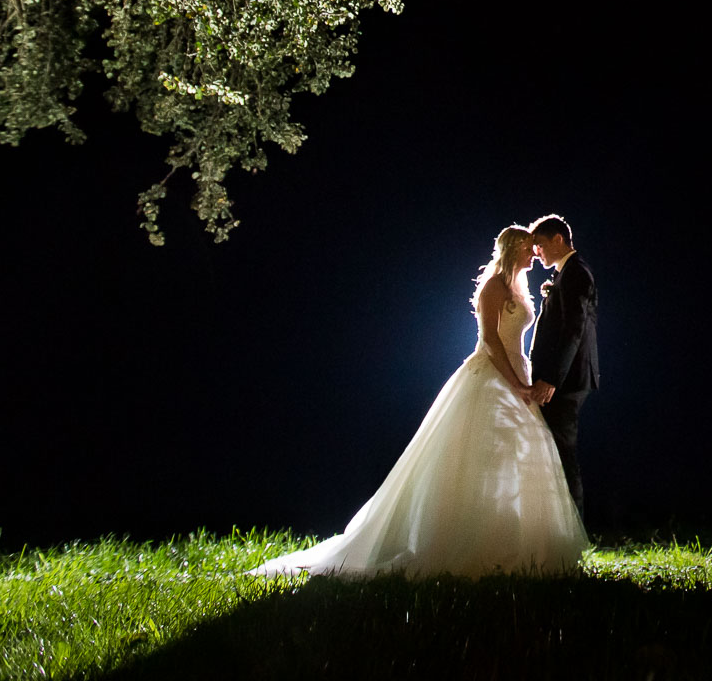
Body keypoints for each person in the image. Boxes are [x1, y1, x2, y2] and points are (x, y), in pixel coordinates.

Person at [246, 226, 587, 578]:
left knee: (518, 454)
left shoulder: (521, 286)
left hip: (520, 377)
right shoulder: (493, 287)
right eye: (529, 248)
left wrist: (524, 380)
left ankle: (521, 540)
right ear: (513, 249)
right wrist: (515, 383)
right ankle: (467, 541)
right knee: (477, 457)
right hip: (494, 377)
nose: (535, 253)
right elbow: (489, 340)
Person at [525, 213, 598, 519]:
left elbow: (574, 329)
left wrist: (552, 378)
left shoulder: (576, 272)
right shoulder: (564, 273)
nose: (536, 252)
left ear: (558, 239)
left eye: (539, 244)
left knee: (563, 451)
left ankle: (574, 532)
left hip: (567, 380)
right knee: (555, 450)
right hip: (561, 378)